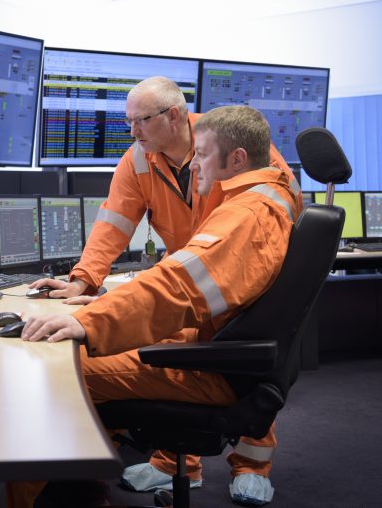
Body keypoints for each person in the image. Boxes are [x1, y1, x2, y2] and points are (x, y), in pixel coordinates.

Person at [28, 77, 300, 505]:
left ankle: (251, 466)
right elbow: (114, 221)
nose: (132, 133)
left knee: (74, 365)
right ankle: (174, 466)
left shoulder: (235, 156)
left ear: (174, 116)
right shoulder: (141, 159)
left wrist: (89, 321)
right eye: (128, 123)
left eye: (140, 121)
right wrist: (84, 280)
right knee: (150, 335)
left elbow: (270, 218)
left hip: (223, 282)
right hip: (197, 278)